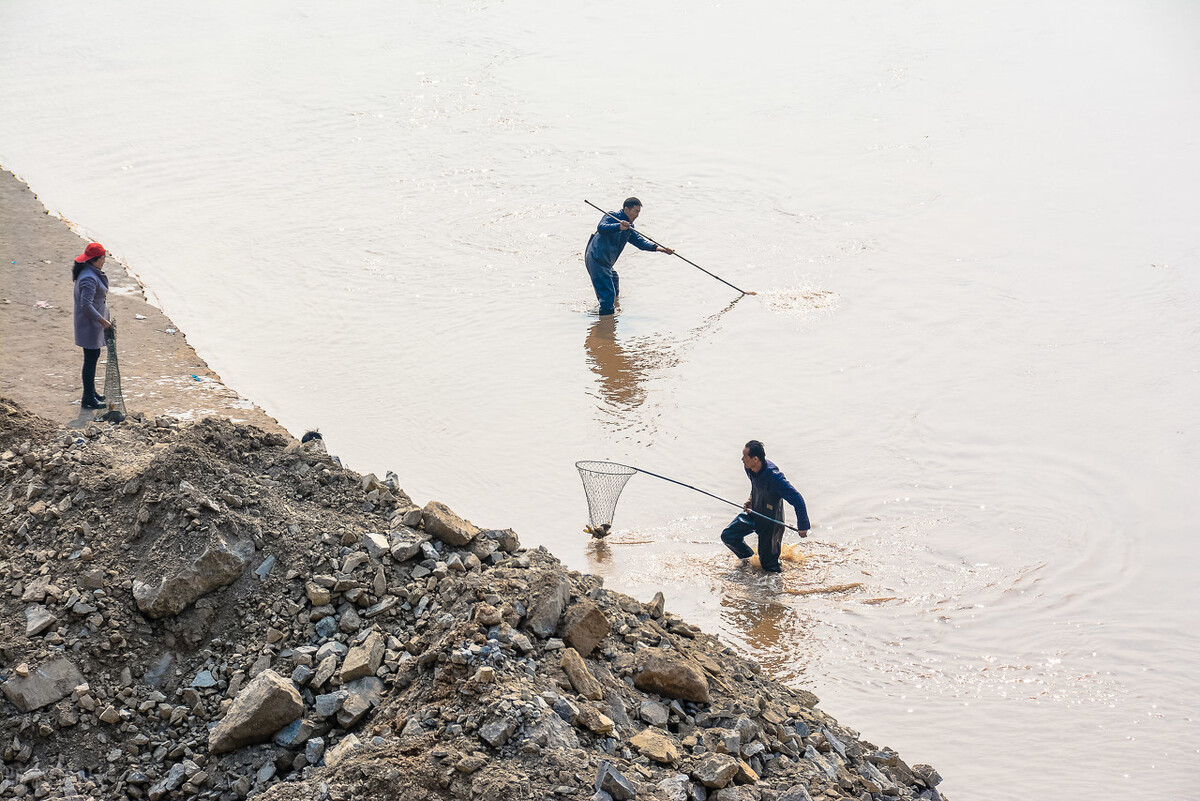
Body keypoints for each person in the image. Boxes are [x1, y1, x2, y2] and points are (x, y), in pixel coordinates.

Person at [721, 440, 810, 573]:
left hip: (771, 523)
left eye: (745, 456)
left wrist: (803, 526)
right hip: (754, 513)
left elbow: (798, 500)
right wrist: (750, 499)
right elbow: (755, 484)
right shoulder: (749, 468)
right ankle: (750, 561)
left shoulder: (775, 478)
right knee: (728, 536)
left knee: (769, 566)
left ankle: (775, 587)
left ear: (755, 459)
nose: (742, 459)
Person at [584, 197, 674, 315]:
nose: (637, 215)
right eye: (636, 211)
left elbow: (641, 243)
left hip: (606, 263)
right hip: (596, 258)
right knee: (608, 295)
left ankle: (609, 311)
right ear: (626, 209)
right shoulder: (612, 216)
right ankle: (606, 322)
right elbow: (601, 227)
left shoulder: (629, 228)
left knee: (614, 281)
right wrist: (619, 226)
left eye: (639, 212)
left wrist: (661, 249)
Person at [72, 242, 113, 409]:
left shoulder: (89, 271)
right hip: (89, 325)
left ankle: (91, 392)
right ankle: (87, 398)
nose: (104, 261)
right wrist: (103, 322)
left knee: (93, 358)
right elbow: (86, 305)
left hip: (92, 324)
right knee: (90, 360)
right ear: (96, 259)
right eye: (103, 259)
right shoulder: (89, 277)